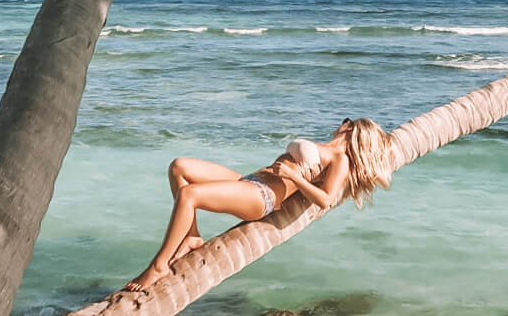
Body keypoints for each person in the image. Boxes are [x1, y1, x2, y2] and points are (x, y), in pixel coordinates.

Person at [123, 118, 396, 292]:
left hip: (261, 196)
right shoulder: (327, 146)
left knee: (189, 195)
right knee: (179, 167)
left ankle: (159, 265)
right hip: (251, 179)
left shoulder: (341, 160)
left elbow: (325, 198)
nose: (340, 122)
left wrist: (292, 176)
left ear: (352, 129)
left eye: (346, 120)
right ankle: (193, 236)